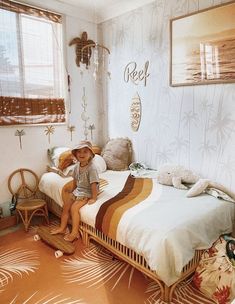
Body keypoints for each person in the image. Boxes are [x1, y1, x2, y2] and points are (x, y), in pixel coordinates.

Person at [51, 140, 99, 242]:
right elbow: (75, 180)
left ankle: (74, 232)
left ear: (90, 154)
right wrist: (72, 191)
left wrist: (94, 198)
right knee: (66, 206)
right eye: (79, 152)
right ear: (76, 154)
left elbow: (94, 184)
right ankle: (62, 228)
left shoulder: (92, 168)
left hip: (87, 192)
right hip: (78, 190)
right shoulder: (76, 166)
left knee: (74, 208)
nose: (82, 154)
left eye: (85, 151)